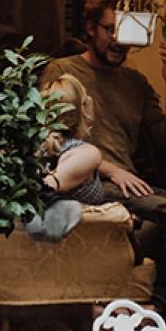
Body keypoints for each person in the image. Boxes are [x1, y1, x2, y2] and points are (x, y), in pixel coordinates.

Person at [38, 0, 166, 197]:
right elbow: (50, 137)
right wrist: (111, 170)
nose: (119, 40)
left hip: (128, 184)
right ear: (91, 29)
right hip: (86, 182)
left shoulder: (136, 82)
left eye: (126, 32)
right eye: (111, 30)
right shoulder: (62, 71)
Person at [22, 74, 119, 242]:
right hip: (79, 257)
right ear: (83, 108)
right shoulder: (86, 154)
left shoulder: (35, 147)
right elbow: (45, 189)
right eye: (86, 95)